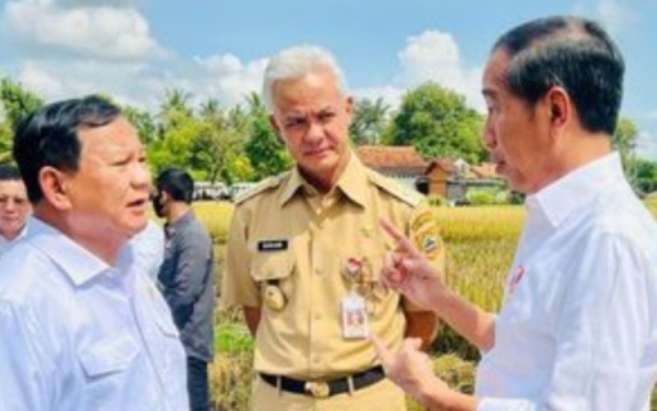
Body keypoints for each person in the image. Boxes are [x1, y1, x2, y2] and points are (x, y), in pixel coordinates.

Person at [373, 15, 657, 411]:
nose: (486, 135)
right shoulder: (559, 218)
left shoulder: (607, 238)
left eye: (494, 107)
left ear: (556, 111)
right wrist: (435, 296)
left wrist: (431, 392)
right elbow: (520, 346)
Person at [221, 45, 445, 411]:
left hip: (371, 398)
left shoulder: (402, 211)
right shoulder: (251, 212)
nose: (313, 134)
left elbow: (423, 316)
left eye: (325, 116)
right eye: (295, 121)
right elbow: (255, 312)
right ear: (275, 126)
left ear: (349, 110)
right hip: (279, 401)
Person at [0, 96, 189, 411]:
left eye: (142, 160)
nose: (143, 179)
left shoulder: (130, 272)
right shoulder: (18, 305)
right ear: (56, 186)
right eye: (120, 164)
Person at [153, 167, 215, 411]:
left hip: (188, 344)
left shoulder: (192, 235)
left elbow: (184, 293)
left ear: (165, 195)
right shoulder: (174, 231)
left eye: (156, 193)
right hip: (174, 342)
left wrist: (155, 325)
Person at [0, 165, 31, 254]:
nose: (9, 208)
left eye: (18, 201)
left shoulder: (48, 245)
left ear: (31, 205)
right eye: (1, 200)